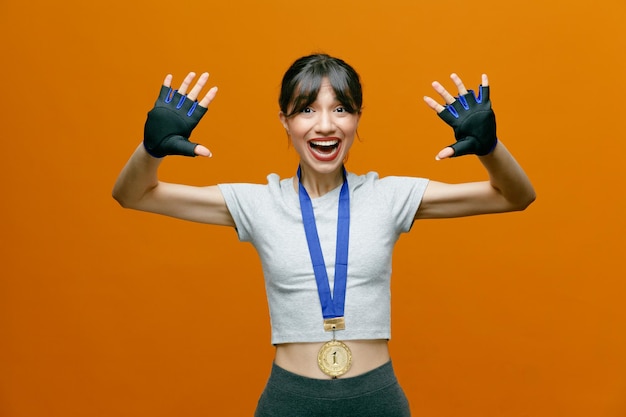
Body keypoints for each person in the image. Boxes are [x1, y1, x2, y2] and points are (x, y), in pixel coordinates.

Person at [113, 53, 535, 416]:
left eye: (340, 109)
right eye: (306, 110)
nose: (325, 125)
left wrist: (489, 148)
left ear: (356, 119)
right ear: (285, 121)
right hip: (290, 400)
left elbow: (514, 196)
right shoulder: (259, 202)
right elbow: (134, 194)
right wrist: (149, 150)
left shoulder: (389, 196)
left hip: (376, 400)